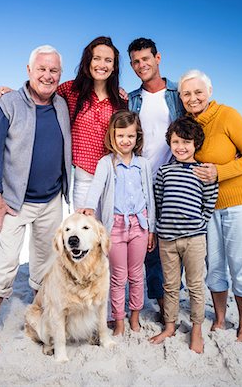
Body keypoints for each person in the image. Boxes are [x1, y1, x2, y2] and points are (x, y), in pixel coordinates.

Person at [0, 45, 72, 354]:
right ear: (29, 70)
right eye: (42, 69)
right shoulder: (7, 103)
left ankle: (38, 319)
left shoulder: (63, 103)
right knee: (6, 263)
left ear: (60, 74)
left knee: (46, 264)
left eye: (54, 70)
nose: (48, 75)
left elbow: (91, 89)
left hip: (51, 200)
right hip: (14, 201)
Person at [178, 69, 242, 344]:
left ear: (209, 92)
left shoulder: (228, 115)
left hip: (239, 201)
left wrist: (220, 172)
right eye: (187, 93)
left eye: (198, 92)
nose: (193, 98)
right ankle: (220, 318)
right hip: (206, 206)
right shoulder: (186, 124)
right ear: (180, 96)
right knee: (213, 267)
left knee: (241, 266)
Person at [0, 36, 127, 211]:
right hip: (84, 179)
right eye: (97, 58)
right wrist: (15, 95)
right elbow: (40, 90)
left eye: (108, 60)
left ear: (114, 66)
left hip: (114, 176)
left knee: (111, 235)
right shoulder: (70, 90)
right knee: (85, 234)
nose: (102, 64)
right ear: (88, 61)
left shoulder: (120, 100)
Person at [78, 111, 156, 336]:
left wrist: (151, 228)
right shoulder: (106, 163)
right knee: (118, 276)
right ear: (113, 136)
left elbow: (149, 197)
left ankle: (134, 316)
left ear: (137, 137)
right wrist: (89, 207)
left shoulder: (143, 164)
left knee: (136, 274)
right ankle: (119, 320)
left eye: (130, 136)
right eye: (121, 135)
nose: (125, 141)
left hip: (140, 226)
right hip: (116, 228)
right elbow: (96, 188)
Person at [150, 116, 218, 353]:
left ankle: (197, 329)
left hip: (194, 239)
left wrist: (199, 223)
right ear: (169, 142)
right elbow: (158, 201)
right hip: (167, 239)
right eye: (176, 141)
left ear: (195, 144)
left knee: (195, 285)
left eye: (186, 142)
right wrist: (159, 228)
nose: (181, 147)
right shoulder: (164, 171)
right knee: (170, 285)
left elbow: (209, 202)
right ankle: (170, 326)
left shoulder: (203, 172)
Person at [128, 37, 185, 319]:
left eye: (146, 59)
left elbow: (201, 122)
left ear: (158, 58)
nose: (141, 65)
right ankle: (163, 305)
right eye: (136, 62)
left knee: (175, 244)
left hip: (173, 179)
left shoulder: (177, 94)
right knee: (151, 247)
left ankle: (177, 297)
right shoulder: (131, 99)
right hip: (141, 182)